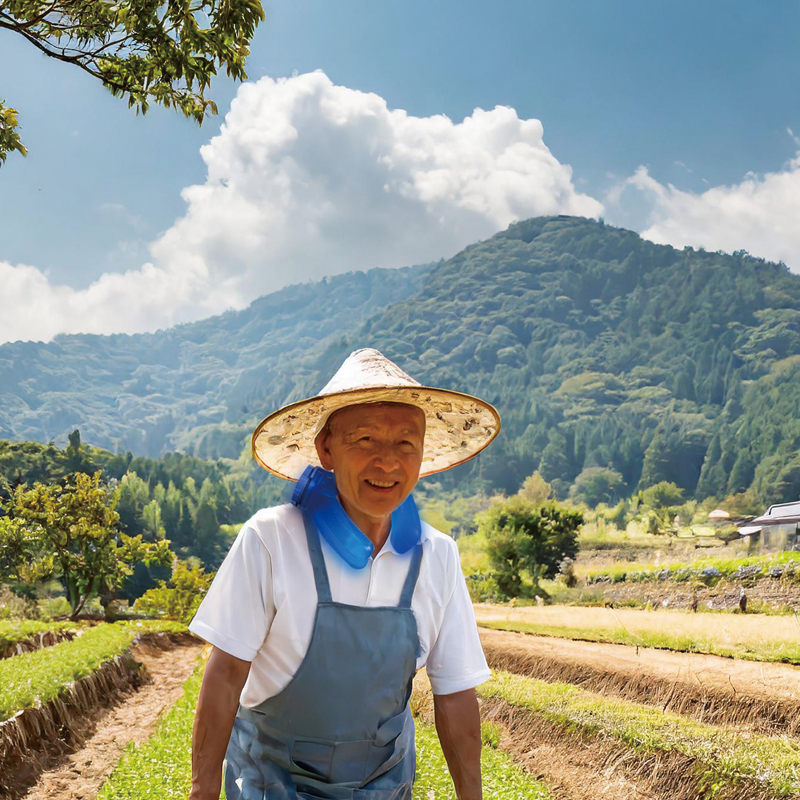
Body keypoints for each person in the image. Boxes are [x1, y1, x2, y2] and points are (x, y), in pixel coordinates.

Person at [187, 348, 501, 800]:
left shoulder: (437, 555)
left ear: (422, 453)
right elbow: (226, 674)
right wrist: (202, 793)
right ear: (326, 449)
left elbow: (454, 693)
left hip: (383, 787)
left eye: (404, 443)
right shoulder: (272, 539)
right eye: (365, 440)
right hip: (271, 785)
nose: (387, 462)